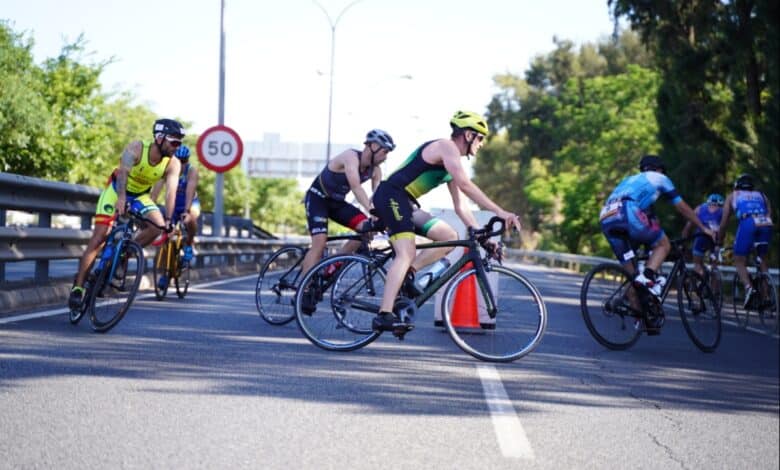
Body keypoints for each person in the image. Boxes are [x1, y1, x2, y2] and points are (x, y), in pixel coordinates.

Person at [369, 110, 521, 334]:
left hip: (406, 204)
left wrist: (481, 236)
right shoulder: (445, 147)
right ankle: (384, 314)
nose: (481, 144)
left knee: (450, 237)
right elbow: (466, 185)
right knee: (406, 252)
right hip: (392, 196)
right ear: (468, 135)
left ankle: (407, 275)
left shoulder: (452, 164)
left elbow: (461, 206)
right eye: (480, 138)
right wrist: (501, 212)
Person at [68, 118, 185, 310]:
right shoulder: (137, 148)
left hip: (140, 195)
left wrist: (169, 220)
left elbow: (171, 192)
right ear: (159, 138)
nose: (176, 147)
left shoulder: (173, 164)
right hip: (117, 190)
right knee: (100, 237)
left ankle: (122, 256)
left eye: (179, 143)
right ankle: (79, 287)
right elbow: (123, 173)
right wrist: (121, 198)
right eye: (174, 142)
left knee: (157, 227)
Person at [599, 155, 716, 330]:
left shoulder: (630, 180)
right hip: (628, 212)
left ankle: (643, 320)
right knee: (664, 245)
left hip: (607, 216)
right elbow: (681, 206)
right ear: (659, 169)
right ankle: (647, 278)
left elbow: (650, 219)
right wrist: (703, 228)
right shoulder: (660, 178)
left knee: (634, 278)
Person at [298, 129, 396, 311]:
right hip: (318, 198)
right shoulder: (350, 157)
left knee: (367, 229)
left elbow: (377, 197)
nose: (386, 157)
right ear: (373, 147)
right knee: (319, 244)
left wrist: (384, 216)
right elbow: (357, 187)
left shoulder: (376, 171)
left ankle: (334, 264)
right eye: (385, 152)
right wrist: (372, 210)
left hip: (336, 203)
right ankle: (303, 292)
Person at [718, 174, 773, 308]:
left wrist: (720, 238)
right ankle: (766, 296)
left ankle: (749, 288)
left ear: (737, 186)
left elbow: (724, 222)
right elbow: (769, 213)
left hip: (748, 222)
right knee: (763, 260)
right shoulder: (762, 195)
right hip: (766, 223)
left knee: (738, 259)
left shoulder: (733, 196)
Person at [150, 144, 200, 289]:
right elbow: (157, 188)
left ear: (188, 160)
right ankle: (165, 274)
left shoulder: (192, 170)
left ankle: (189, 243)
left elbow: (190, 190)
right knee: (167, 233)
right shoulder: (168, 167)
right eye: (179, 160)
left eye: (184, 161)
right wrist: (151, 204)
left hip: (189, 202)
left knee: (190, 218)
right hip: (173, 202)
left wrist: (186, 210)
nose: (181, 164)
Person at [682, 193, 725, 277]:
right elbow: (723, 229)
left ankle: (698, 286)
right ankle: (714, 289)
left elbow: (688, 225)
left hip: (700, 238)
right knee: (714, 268)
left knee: (697, 264)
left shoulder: (700, 208)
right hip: (714, 240)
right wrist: (720, 243)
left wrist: (684, 239)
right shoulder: (722, 211)